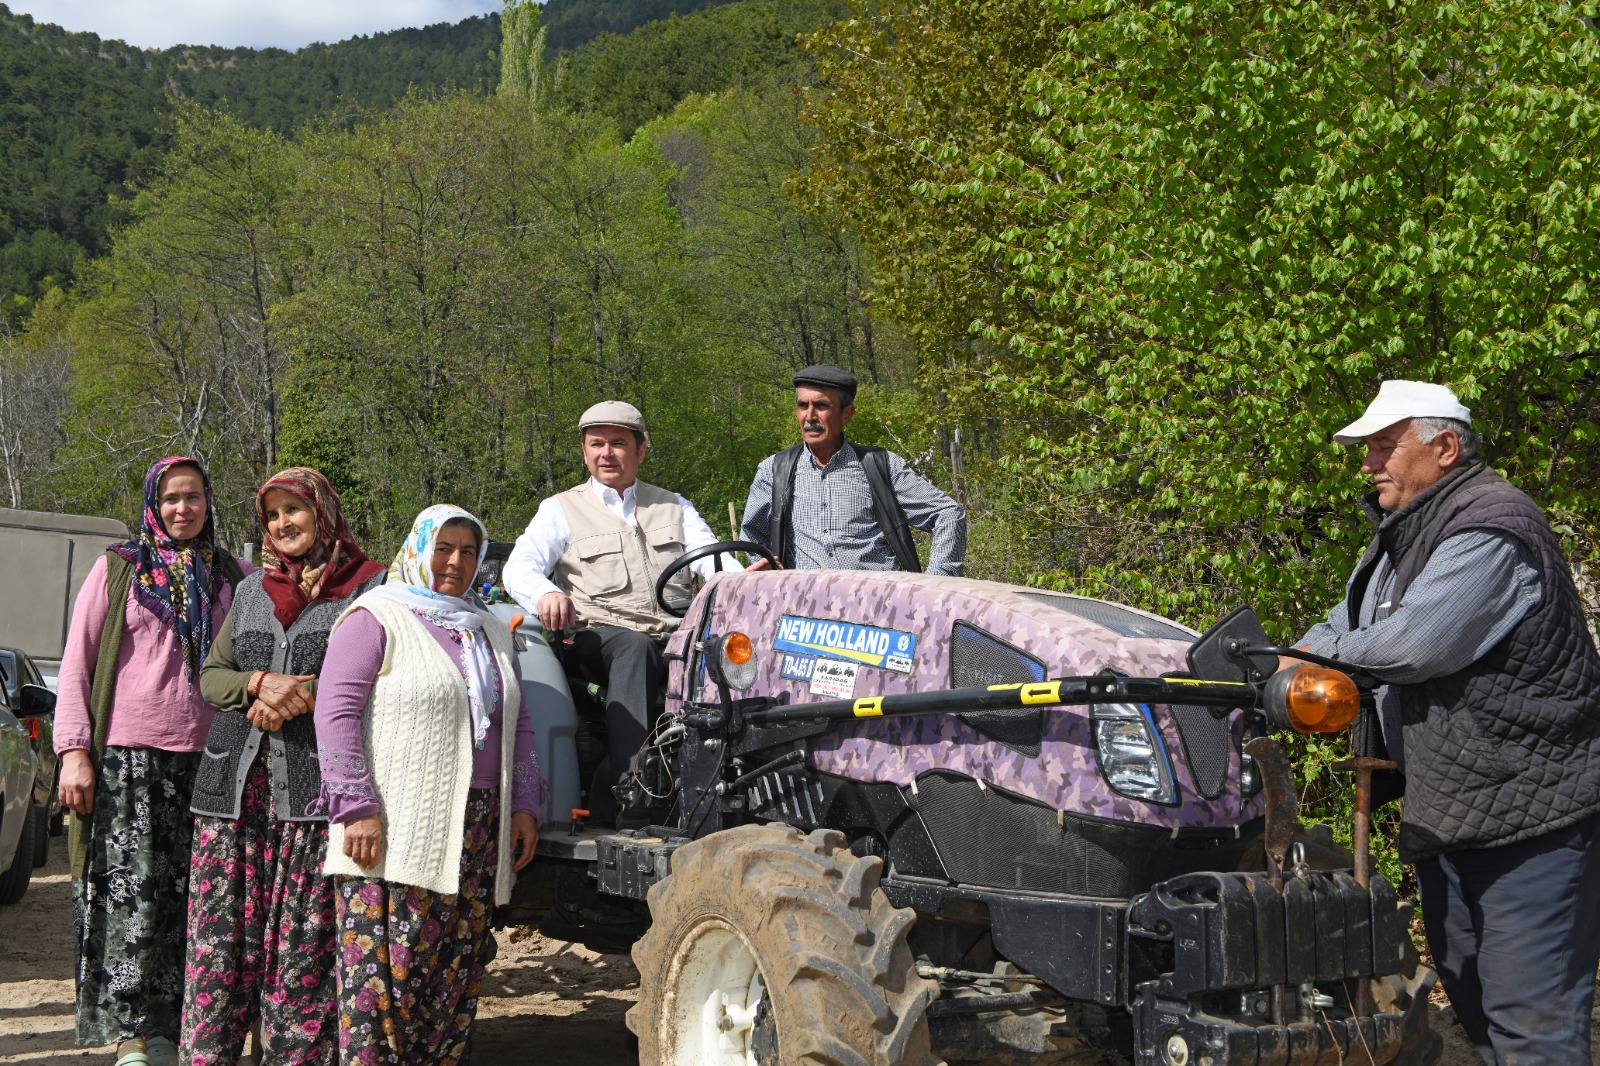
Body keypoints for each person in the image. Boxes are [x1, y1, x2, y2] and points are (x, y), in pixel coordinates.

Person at [1290, 380, 1600, 1066]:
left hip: (1532, 821)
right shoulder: (1403, 537)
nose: (1368, 462)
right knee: (1478, 1012)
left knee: (1532, 1026)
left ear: (1446, 448)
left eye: (1383, 445)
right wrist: (1295, 659)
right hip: (1454, 815)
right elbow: (1343, 625)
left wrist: (1304, 661)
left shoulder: (1491, 526)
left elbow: (1412, 645)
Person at [316, 505, 545, 1065]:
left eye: (468, 552)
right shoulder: (376, 617)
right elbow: (335, 713)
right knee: (383, 983)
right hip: (393, 826)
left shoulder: (488, 627)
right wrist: (355, 806)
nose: (455, 562)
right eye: (443, 548)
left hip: (476, 826)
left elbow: (519, 721)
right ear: (419, 550)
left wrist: (523, 804)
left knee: (452, 973)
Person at [181, 468, 387, 1066]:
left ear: (322, 512)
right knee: (219, 955)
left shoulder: (369, 589)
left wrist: (304, 693)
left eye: (293, 509)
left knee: (302, 961)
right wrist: (257, 684)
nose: (281, 523)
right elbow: (212, 677)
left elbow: (381, 676)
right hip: (231, 803)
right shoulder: (252, 589)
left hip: (311, 805)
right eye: (271, 515)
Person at [54, 456, 247, 1066]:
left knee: (196, 902)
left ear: (208, 503)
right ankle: (134, 1035)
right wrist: (74, 752)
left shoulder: (233, 577)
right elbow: (78, 663)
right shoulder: (118, 569)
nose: (182, 509)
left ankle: (183, 1028)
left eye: (193, 497)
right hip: (129, 760)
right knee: (131, 897)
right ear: (152, 505)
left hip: (212, 762)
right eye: (170, 499)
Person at [502, 401, 739, 801]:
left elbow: (713, 560)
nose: (606, 453)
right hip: (597, 637)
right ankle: (634, 789)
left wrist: (745, 580)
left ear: (641, 450)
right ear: (584, 453)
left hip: (674, 638)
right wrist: (546, 593)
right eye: (596, 444)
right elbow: (518, 568)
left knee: (733, 649)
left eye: (618, 443)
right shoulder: (560, 510)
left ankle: (737, 782)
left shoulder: (673, 505)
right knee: (635, 647)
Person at [740, 363, 966, 575]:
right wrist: (768, 570)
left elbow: (948, 514)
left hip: (876, 600)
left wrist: (936, 580)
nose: (809, 416)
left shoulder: (881, 465)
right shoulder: (775, 470)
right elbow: (752, 534)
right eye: (802, 406)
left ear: (846, 415)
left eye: (821, 406)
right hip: (805, 601)